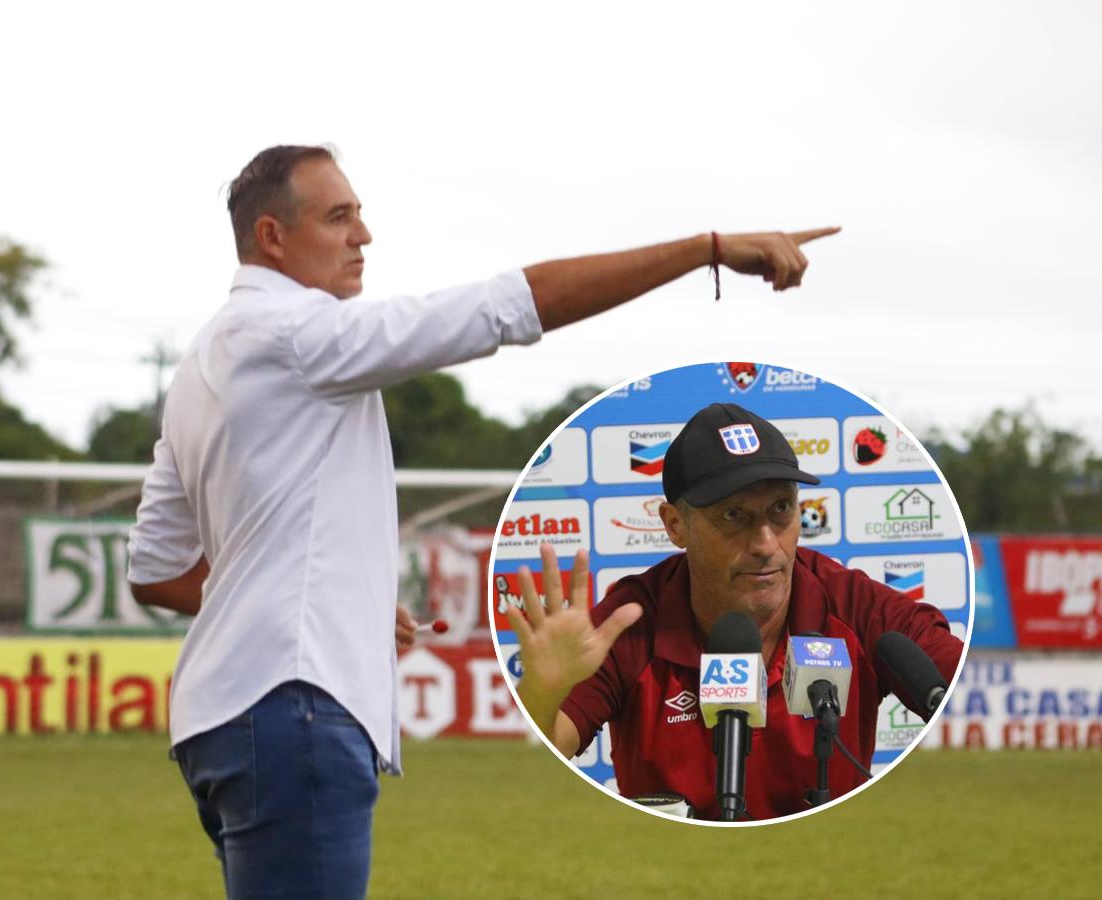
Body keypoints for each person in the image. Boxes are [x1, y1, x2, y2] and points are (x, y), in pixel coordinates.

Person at [125, 143, 839, 897]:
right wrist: (708, 250)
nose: (363, 236)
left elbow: (157, 571)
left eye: (360, 217)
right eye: (339, 218)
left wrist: (321, 606)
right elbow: (507, 308)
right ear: (272, 237)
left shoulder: (199, 363)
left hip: (217, 722)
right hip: (293, 708)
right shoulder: (299, 335)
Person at [510, 402, 965, 821]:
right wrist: (543, 693)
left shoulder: (856, 606)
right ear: (675, 525)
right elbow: (544, 756)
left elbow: (954, 690)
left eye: (781, 509)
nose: (766, 545)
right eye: (734, 516)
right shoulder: (629, 619)